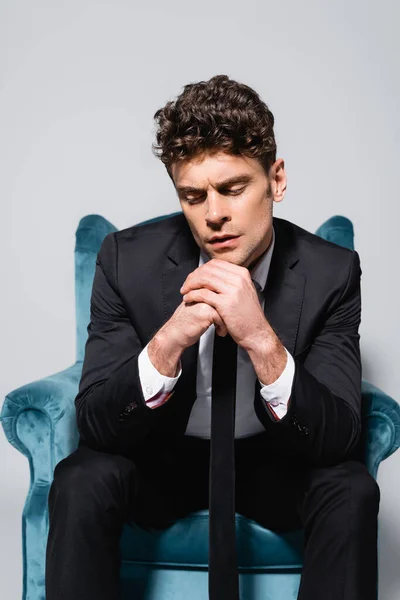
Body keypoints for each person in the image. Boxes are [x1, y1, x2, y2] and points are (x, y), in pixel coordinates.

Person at [45, 74, 379, 600]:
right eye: (193, 196)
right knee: (80, 477)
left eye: (233, 188)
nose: (214, 214)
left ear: (277, 179)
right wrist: (168, 343)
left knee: (351, 487)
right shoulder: (124, 261)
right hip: (163, 461)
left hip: (276, 463)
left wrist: (262, 340)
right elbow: (96, 424)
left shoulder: (331, 271)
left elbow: (338, 437)